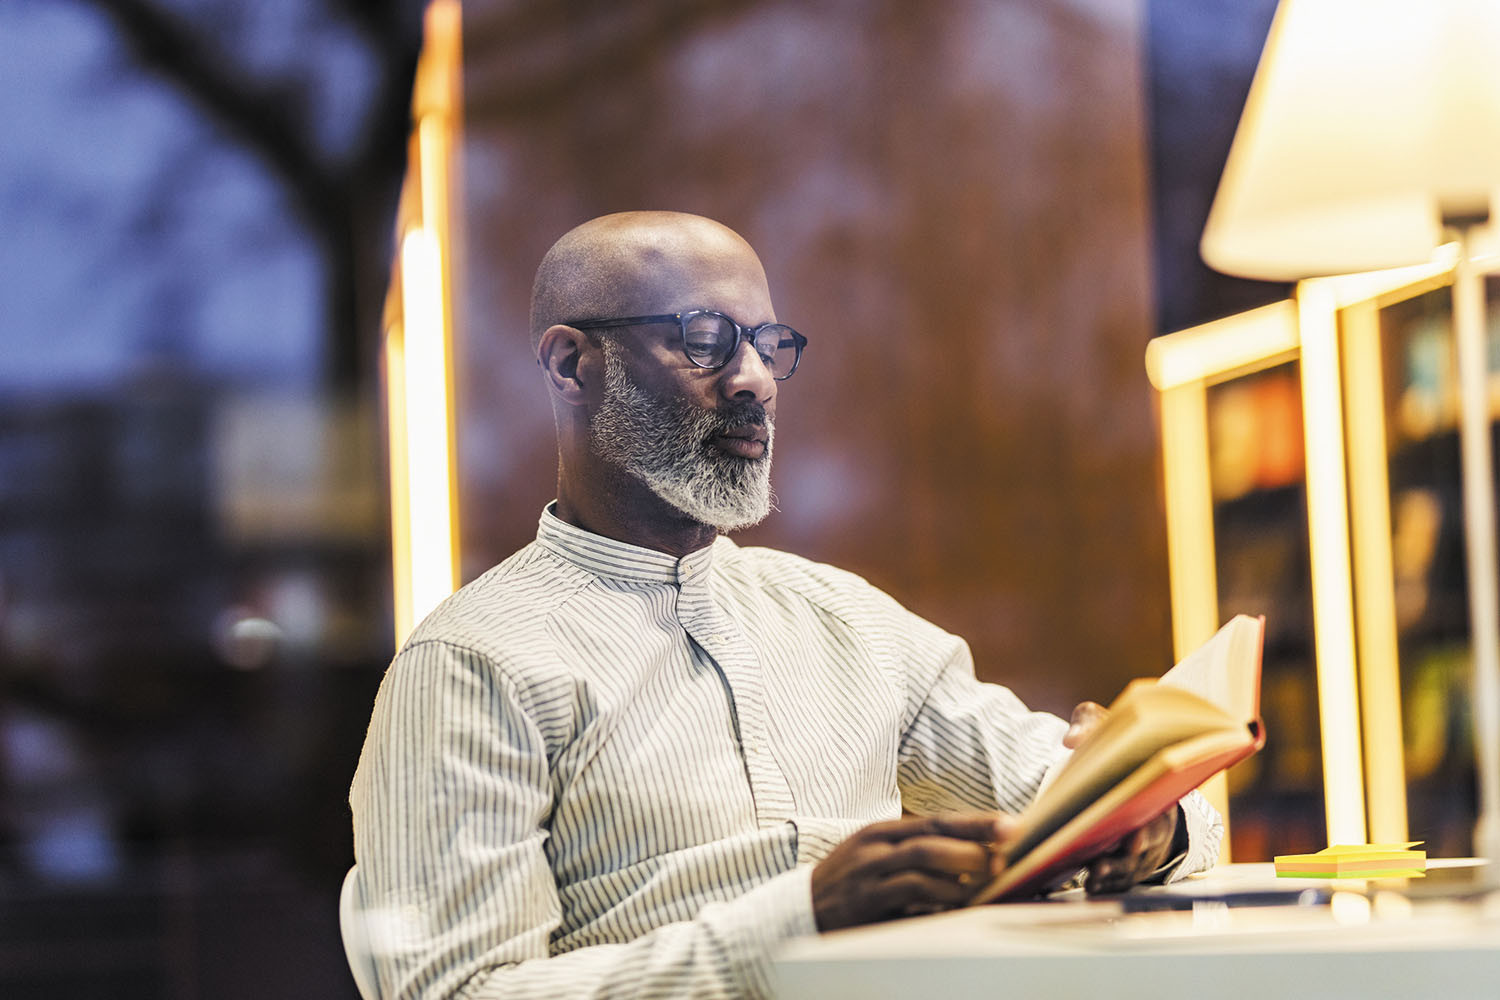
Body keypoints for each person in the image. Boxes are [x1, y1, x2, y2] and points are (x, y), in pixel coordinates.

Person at [349, 211, 1221, 999]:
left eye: (768, 345)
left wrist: (1148, 824)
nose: (755, 380)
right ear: (574, 365)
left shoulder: (848, 622)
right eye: (704, 340)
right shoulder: (471, 666)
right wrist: (797, 924)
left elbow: (1126, 805)